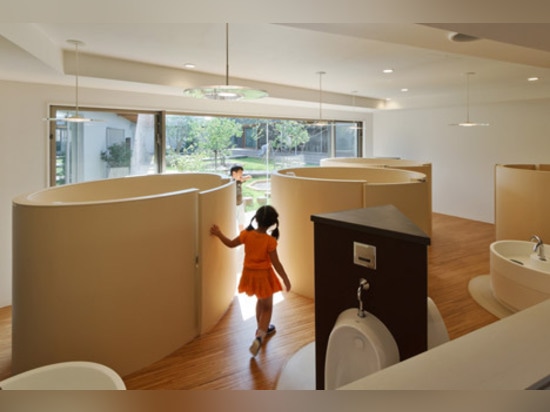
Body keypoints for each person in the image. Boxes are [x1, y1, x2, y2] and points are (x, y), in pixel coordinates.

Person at [210, 205, 292, 357]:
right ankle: (260, 334)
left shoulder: (246, 235)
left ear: (257, 218)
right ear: (272, 223)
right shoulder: (269, 241)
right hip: (263, 277)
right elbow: (276, 263)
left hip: (249, 275)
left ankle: (261, 328)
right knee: (267, 307)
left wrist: (219, 233)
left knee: (260, 302)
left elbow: (230, 244)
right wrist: (285, 279)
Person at [230, 165, 251, 230]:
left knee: (241, 223)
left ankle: (242, 237)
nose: (241, 174)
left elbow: (249, 177)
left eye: (242, 173)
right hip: (233, 206)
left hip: (240, 204)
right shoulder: (230, 182)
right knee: (232, 223)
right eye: (240, 173)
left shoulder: (239, 181)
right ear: (234, 173)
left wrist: (242, 178)